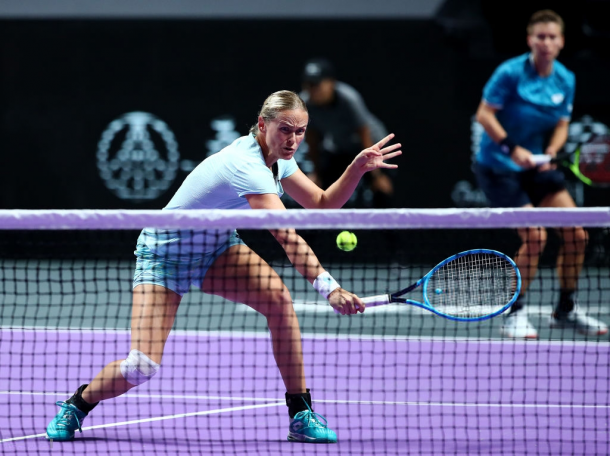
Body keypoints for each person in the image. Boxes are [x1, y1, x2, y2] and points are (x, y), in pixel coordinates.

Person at [45, 90, 401, 443]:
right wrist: (331, 289)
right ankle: (77, 404)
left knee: (279, 300)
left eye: (300, 131)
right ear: (263, 125)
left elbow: (322, 204)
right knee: (141, 366)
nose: (293, 139)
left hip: (215, 248)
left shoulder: (280, 157)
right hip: (164, 255)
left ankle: (300, 413)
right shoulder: (247, 166)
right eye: (285, 130)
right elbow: (287, 238)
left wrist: (355, 170)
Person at [474, 9, 608, 339]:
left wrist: (549, 153)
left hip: (536, 165)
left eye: (552, 37)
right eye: (540, 37)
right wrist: (513, 149)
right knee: (535, 237)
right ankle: (514, 312)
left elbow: (562, 125)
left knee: (578, 233)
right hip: (499, 167)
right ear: (530, 40)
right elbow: (484, 115)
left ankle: (565, 309)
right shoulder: (509, 73)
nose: (546, 43)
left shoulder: (565, 79)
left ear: (561, 42)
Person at [300, 58, 394, 208]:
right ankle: (324, 229)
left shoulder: (349, 98)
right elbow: (312, 139)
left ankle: (389, 229)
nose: (313, 90)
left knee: (380, 189)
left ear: (331, 83)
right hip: (340, 147)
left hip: (371, 145)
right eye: (309, 85)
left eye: (317, 84)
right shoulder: (306, 103)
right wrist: (316, 172)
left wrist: (377, 176)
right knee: (323, 187)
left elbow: (364, 133)